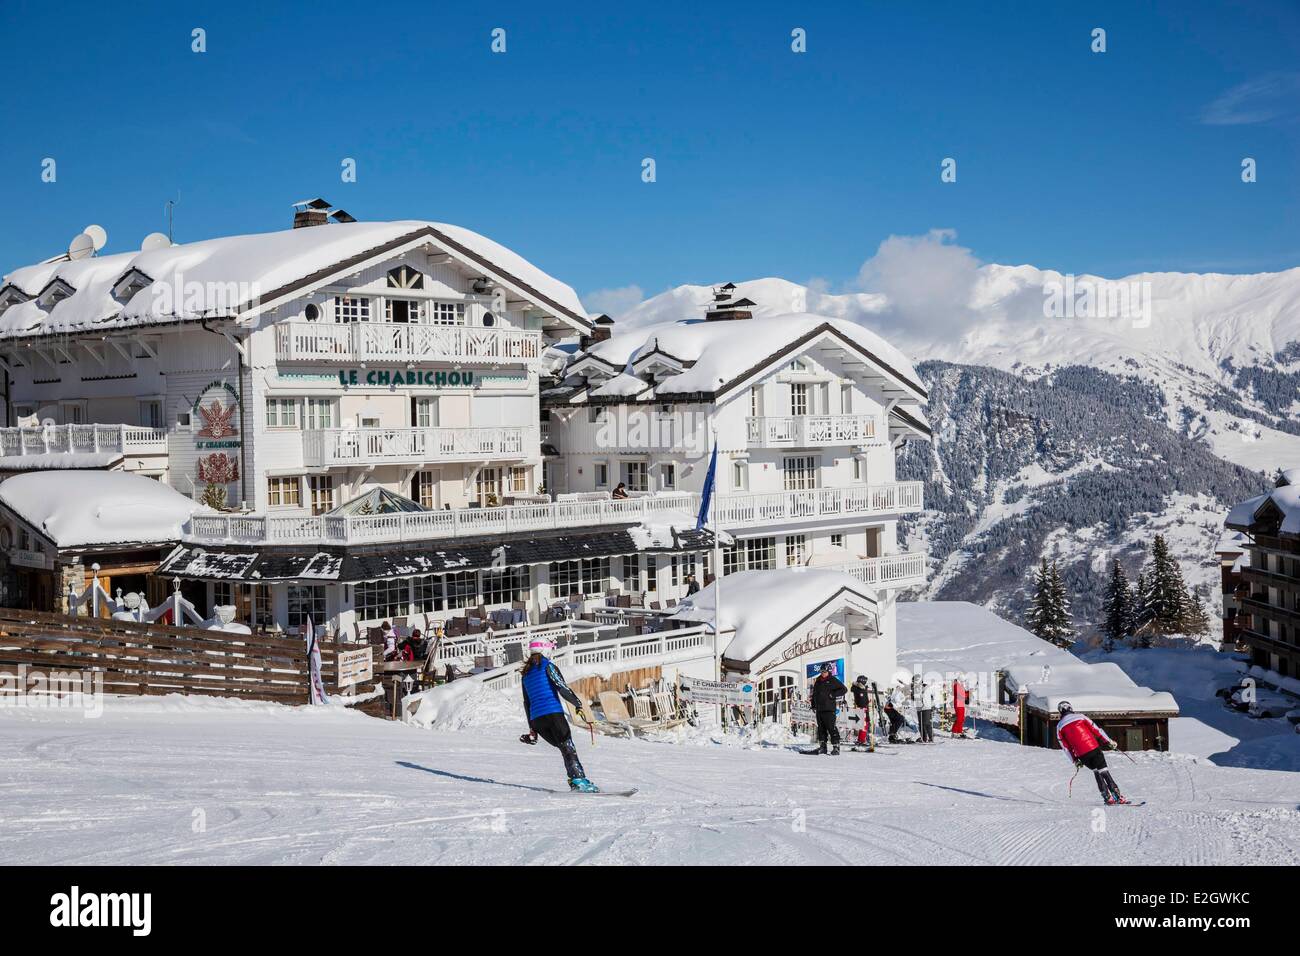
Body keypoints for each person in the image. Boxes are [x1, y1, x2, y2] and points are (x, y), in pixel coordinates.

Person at [519, 639, 598, 792]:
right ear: (546, 651)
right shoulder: (548, 666)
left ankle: (575, 780)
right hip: (553, 714)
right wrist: (578, 704)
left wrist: (532, 729)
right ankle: (579, 782)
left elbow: (526, 702)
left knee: (564, 748)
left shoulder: (526, 674)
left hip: (537, 720)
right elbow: (561, 687)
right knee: (567, 747)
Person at [1056, 701, 1128, 805]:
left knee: (1096, 772)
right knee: (1104, 771)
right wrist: (1109, 742)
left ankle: (1107, 797)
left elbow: (1065, 747)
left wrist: (1075, 760)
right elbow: (1097, 730)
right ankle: (1117, 796)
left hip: (1082, 755)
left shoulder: (1059, 727)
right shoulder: (1081, 717)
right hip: (1093, 748)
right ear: (1071, 708)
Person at [809, 663, 848, 755]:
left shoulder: (832, 680)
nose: (823, 673)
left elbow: (844, 689)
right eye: (822, 671)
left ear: (829, 671)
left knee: (831, 728)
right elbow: (815, 693)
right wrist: (813, 704)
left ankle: (836, 747)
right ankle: (823, 747)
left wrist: (833, 694)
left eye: (825, 671)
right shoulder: (818, 680)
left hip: (829, 709)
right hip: (819, 709)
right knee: (821, 729)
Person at [850, 675, 873, 749]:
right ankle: (862, 740)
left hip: (862, 708)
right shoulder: (860, 689)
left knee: (864, 724)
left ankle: (861, 739)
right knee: (864, 724)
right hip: (862, 708)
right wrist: (865, 704)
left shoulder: (859, 688)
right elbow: (862, 700)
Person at [917, 677, 937, 743]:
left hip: (927, 707)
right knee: (921, 724)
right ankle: (924, 738)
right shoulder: (918, 689)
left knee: (927, 723)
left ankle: (931, 738)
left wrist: (932, 705)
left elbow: (935, 697)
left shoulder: (930, 688)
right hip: (920, 708)